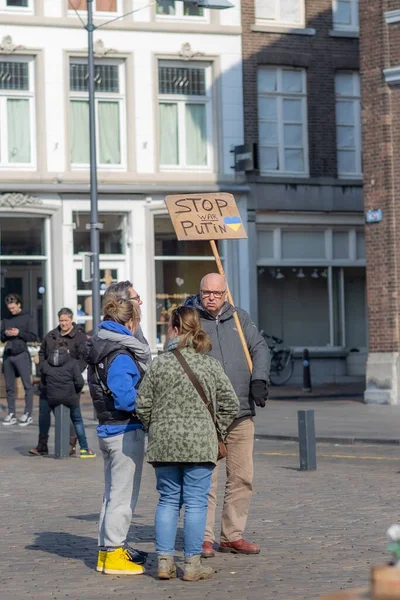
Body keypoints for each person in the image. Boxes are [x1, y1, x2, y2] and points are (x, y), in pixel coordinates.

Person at [136, 306, 239, 582]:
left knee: (168, 500)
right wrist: (216, 428)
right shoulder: (209, 364)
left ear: (175, 328)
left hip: (164, 444)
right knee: (195, 503)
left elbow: (142, 404)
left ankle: (164, 562)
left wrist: (154, 427)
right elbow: (231, 404)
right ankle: (192, 565)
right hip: (199, 445)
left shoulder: (160, 363)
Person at [185, 273, 270, 556]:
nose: (211, 297)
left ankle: (232, 534)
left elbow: (259, 349)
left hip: (241, 411)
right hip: (206, 413)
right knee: (206, 479)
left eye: (217, 293)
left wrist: (259, 379)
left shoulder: (239, 318)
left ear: (226, 294)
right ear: (200, 293)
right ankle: (204, 537)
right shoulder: (191, 319)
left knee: (242, 477)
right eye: (206, 292)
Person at [86, 297, 148, 576]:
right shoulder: (120, 354)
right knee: (122, 497)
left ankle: (107, 551)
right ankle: (113, 552)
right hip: (124, 429)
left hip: (108, 428)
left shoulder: (99, 347)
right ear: (130, 323)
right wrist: (149, 404)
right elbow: (126, 398)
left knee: (111, 496)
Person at [29, 308, 88, 457]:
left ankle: (70, 445)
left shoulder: (79, 336)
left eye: (66, 321)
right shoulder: (51, 336)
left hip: (69, 383)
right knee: (44, 413)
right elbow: (42, 352)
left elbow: (83, 357)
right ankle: (42, 445)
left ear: (71, 320)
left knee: (71, 416)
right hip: (48, 383)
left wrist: (74, 374)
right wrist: (44, 368)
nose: (63, 323)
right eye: (61, 321)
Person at [38, 339, 95, 458]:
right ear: (67, 351)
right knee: (77, 421)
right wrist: (75, 391)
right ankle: (84, 449)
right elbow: (79, 382)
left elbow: (42, 383)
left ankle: (51, 447)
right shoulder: (72, 363)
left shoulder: (46, 364)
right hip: (70, 397)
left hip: (52, 398)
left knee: (58, 419)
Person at [1, 293, 39, 426]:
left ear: (19, 305)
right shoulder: (6, 318)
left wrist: (19, 333)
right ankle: (11, 414)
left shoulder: (27, 318)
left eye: (13, 308)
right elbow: (1, 337)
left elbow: (34, 336)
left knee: (27, 386)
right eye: (9, 308)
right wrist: (5, 334)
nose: (11, 310)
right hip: (8, 355)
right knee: (9, 387)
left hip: (22, 354)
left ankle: (27, 414)